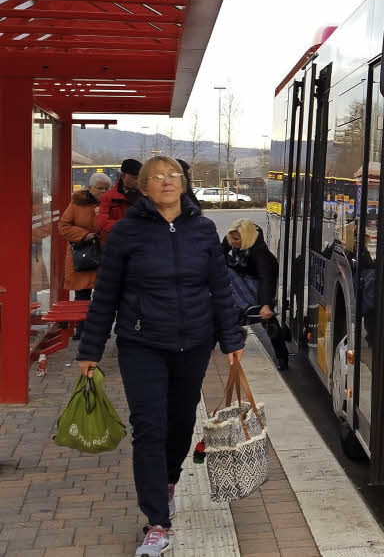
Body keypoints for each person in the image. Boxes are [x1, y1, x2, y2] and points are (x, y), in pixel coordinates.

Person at [76, 156, 244, 557]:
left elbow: (220, 288)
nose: (167, 182)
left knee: (181, 421)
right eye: (157, 177)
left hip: (194, 342)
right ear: (144, 188)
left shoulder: (203, 230)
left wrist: (231, 339)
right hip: (142, 343)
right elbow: (107, 296)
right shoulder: (125, 234)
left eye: (173, 176)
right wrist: (90, 350)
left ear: (184, 184)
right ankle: (157, 522)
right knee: (149, 427)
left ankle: (169, 479)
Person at [221, 218, 288, 369]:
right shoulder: (232, 238)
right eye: (231, 239)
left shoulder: (260, 253)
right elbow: (219, 254)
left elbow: (266, 281)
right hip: (243, 280)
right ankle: (239, 322)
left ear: (246, 237)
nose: (233, 243)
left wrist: (266, 304)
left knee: (268, 321)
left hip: (258, 284)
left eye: (237, 240)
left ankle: (282, 357)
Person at [58, 172, 112, 338]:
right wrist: (83, 235)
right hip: (84, 255)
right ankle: (81, 329)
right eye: (100, 189)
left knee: (104, 295)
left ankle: (101, 330)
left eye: (106, 188)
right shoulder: (77, 203)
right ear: (89, 188)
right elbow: (63, 226)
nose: (104, 192)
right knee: (82, 294)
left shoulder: (110, 204)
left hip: (105, 254)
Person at [96, 158, 141, 241]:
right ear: (123, 176)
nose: (138, 181)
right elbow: (102, 223)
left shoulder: (148, 196)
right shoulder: (108, 197)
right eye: (135, 178)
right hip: (117, 246)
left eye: (141, 178)